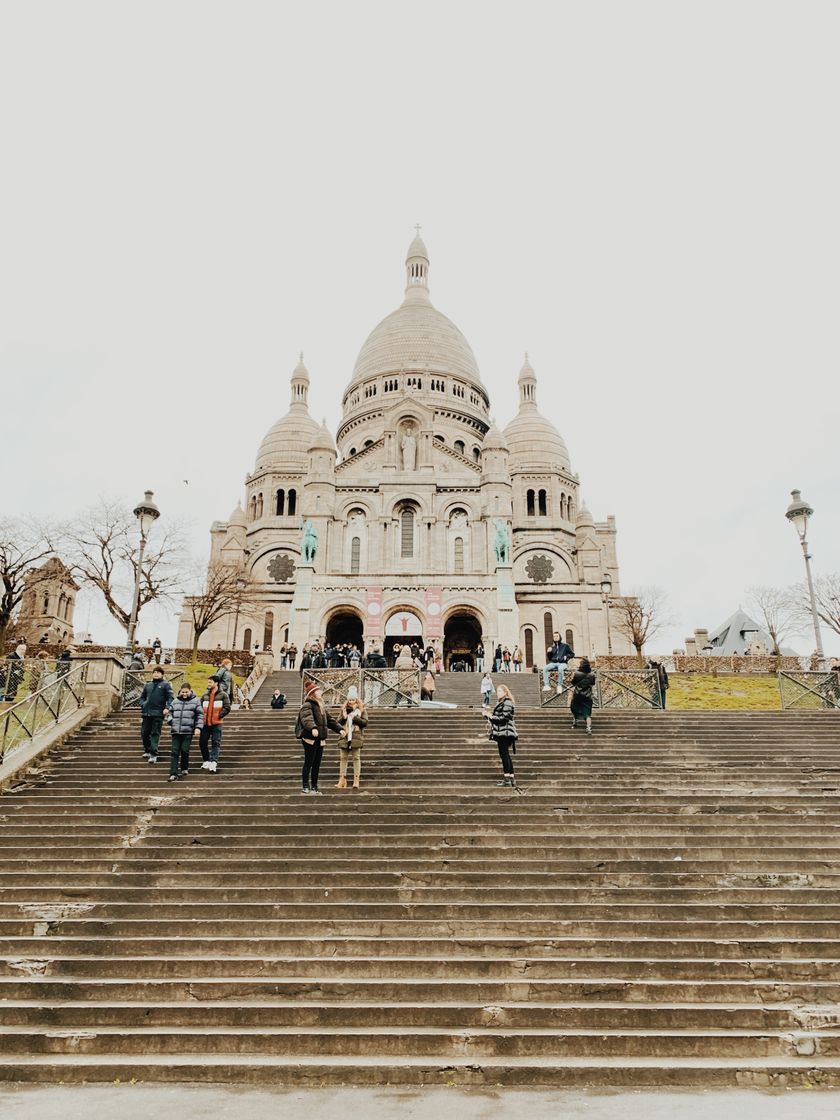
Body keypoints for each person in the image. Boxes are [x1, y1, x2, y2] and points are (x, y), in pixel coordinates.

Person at [295, 679, 345, 794]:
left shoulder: (321, 706)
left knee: (317, 764)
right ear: (313, 693)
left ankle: (314, 786)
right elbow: (307, 718)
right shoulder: (307, 705)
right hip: (310, 739)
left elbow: (330, 720)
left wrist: (340, 729)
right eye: (318, 690)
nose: (320, 692)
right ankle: (305, 786)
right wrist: (313, 728)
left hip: (320, 739)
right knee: (309, 762)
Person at [167, 682, 203, 782]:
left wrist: (198, 727)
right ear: (180, 691)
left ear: (190, 691)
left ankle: (184, 767)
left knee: (184, 750)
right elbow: (170, 712)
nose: (184, 694)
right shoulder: (175, 701)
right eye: (183, 692)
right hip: (176, 731)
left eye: (186, 692)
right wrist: (170, 720)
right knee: (174, 752)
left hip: (188, 731)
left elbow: (200, 715)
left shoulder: (196, 701)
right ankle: (173, 774)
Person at [138, 667, 175, 764]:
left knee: (155, 733)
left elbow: (170, 698)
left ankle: (153, 754)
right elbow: (142, 697)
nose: (156, 674)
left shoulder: (166, 685)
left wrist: (167, 708)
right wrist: (143, 704)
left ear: (162, 674)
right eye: (154, 672)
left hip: (158, 713)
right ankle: (147, 750)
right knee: (144, 732)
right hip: (146, 713)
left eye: (158, 672)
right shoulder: (148, 685)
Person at [336, 686, 367, 790]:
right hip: (345, 735)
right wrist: (344, 717)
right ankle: (342, 779)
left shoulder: (361, 710)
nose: (351, 702)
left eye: (353, 700)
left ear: (356, 699)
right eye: (349, 700)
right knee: (343, 757)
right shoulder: (343, 709)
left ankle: (356, 779)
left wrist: (355, 718)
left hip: (356, 735)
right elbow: (337, 723)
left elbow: (365, 723)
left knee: (356, 757)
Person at [486, 684, 518, 787]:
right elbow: (500, 718)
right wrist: (489, 716)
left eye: (500, 691)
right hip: (503, 732)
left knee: (504, 755)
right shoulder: (503, 702)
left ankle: (507, 779)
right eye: (498, 691)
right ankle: (511, 778)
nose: (498, 693)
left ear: (505, 692)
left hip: (505, 732)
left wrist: (491, 716)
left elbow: (504, 718)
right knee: (505, 755)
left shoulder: (507, 702)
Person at [199, 673, 231, 773]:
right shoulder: (204, 695)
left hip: (216, 723)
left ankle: (213, 761)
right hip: (205, 723)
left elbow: (227, 707)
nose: (208, 684)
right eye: (208, 682)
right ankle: (206, 760)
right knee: (202, 742)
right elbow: (199, 707)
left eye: (210, 682)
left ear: (216, 683)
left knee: (215, 742)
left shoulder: (223, 695)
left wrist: (219, 716)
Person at [570, 657, 596, 735]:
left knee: (574, 707)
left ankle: (575, 720)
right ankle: (588, 728)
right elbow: (593, 683)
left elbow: (573, 683)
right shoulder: (592, 674)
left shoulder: (577, 673)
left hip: (578, 694)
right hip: (587, 696)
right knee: (587, 713)